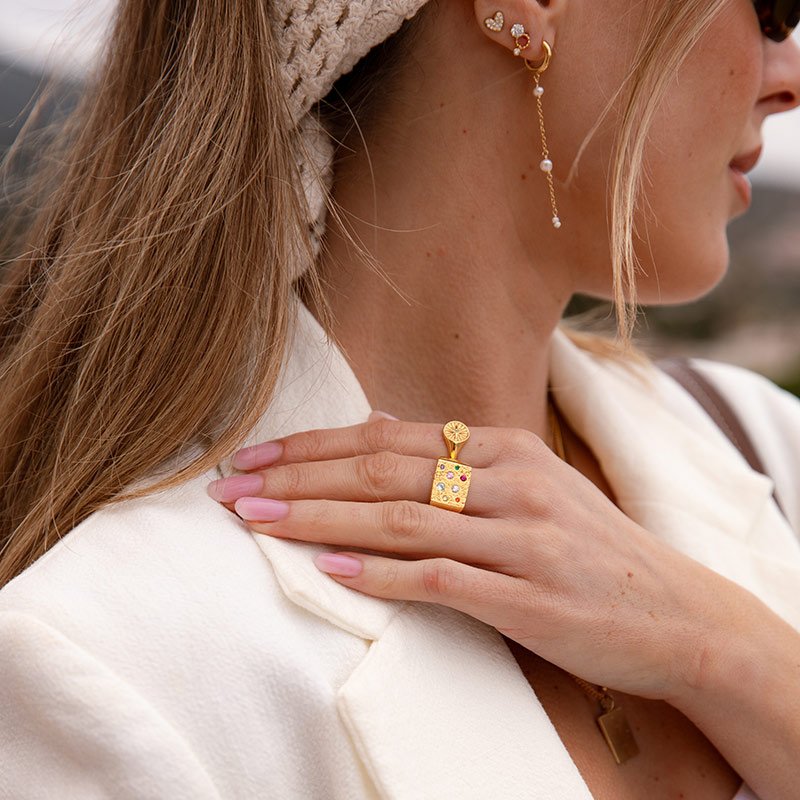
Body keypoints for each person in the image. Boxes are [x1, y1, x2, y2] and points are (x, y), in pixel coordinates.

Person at [1, 0, 799, 797]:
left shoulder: (766, 443)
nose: (789, 77)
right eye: (774, 11)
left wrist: (730, 657)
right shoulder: (111, 669)